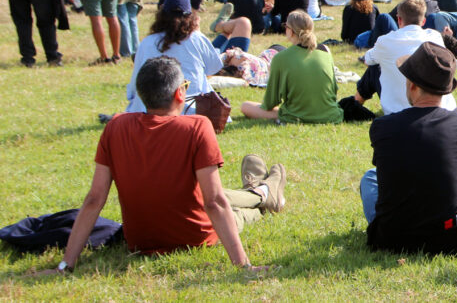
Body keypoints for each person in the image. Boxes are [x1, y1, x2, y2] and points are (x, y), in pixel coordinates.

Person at [48, 56, 284, 275]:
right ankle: (264, 193)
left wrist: (65, 265)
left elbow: (94, 199)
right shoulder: (197, 127)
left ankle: (262, 189)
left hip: (140, 241)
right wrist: (244, 266)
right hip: (196, 236)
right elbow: (214, 202)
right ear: (180, 93)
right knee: (238, 212)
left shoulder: (115, 127)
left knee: (220, 196)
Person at [359, 41, 457, 254]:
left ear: (412, 85)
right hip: (453, 236)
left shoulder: (382, 126)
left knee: (370, 177)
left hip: (391, 236)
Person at [125, 0, 220, 114]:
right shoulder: (197, 39)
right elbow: (213, 68)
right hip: (191, 110)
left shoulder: (147, 42)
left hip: (149, 110)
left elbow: (136, 81)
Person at [240, 11, 342, 124]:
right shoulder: (326, 55)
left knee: (246, 106)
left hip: (296, 116)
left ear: (290, 31)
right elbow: (333, 93)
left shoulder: (280, 58)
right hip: (332, 115)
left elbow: (269, 103)